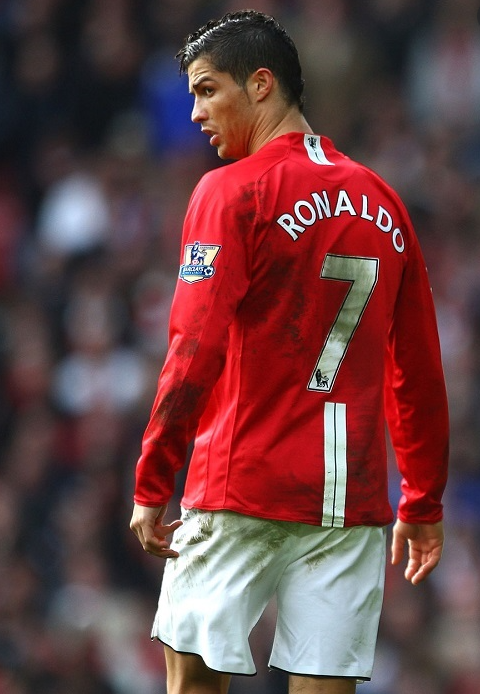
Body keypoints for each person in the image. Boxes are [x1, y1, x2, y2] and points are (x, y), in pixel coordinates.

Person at [130, 10, 449, 694]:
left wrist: (154, 479)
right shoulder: (384, 201)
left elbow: (193, 348)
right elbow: (418, 368)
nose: (195, 113)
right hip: (350, 502)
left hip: (241, 486)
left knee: (193, 687)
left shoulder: (230, 192)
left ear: (261, 84)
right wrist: (421, 501)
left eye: (207, 90)